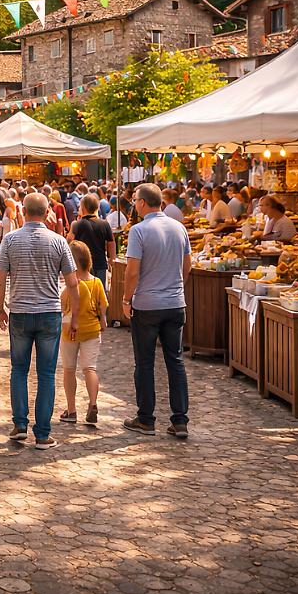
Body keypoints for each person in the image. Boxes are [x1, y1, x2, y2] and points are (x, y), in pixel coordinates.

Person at [0, 193, 79, 450]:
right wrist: (73, 316)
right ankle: (42, 433)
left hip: (19, 311)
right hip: (49, 313)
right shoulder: (58, 241)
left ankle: (20, 424)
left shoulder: (10, 240)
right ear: (46, 212)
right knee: (46, 374)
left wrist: (0, 307)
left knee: (19, 370)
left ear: (24, 211)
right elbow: (73, 282)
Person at [122, 183, 192, 439]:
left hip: (147, 304)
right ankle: (180, 420)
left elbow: (132, 271)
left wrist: (126, 298)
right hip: (175, 303)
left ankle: (146, 418)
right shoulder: (179, 228)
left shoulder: (139, 231)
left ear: (141, 202)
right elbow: (187, 266)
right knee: (175, 361)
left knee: (145, 362)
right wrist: (176, 287)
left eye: (134, 202)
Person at [58, 241, 106, 427]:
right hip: (92, 330)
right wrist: (102, 319)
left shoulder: (72, 285)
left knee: (69, 369)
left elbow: (62, 306)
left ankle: (71, 410)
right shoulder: (96, 282)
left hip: (70, 330)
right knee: (90, 368)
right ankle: (93, 403)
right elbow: (103, 305)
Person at [69, 194, 116, 287]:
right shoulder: (104, 223)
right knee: (100, 288)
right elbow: (111, 243)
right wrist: (112, 259)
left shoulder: (77, 224)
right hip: (101, 262)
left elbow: (69, 241)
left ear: (83, 208)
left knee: (84, 289)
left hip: (82, 264)